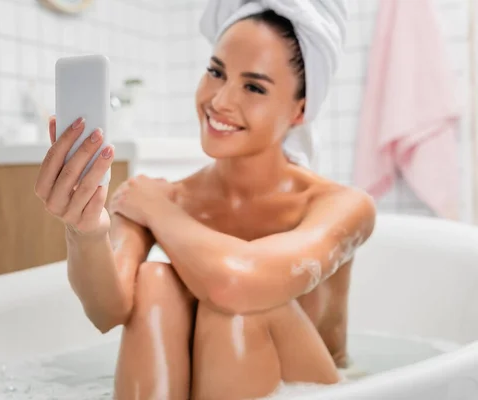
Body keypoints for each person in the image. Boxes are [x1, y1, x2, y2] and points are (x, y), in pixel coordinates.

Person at [35, 2, 376, 399]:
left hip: (315, 391)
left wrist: (160, 210)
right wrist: (85, 230)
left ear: (301, 109)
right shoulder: (163, 196)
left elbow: (236, 285)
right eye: (216, 72)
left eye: (254, 87)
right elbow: (107, 311)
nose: (221, 100)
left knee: (238, 309)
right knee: (154, 281)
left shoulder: (340, 205)